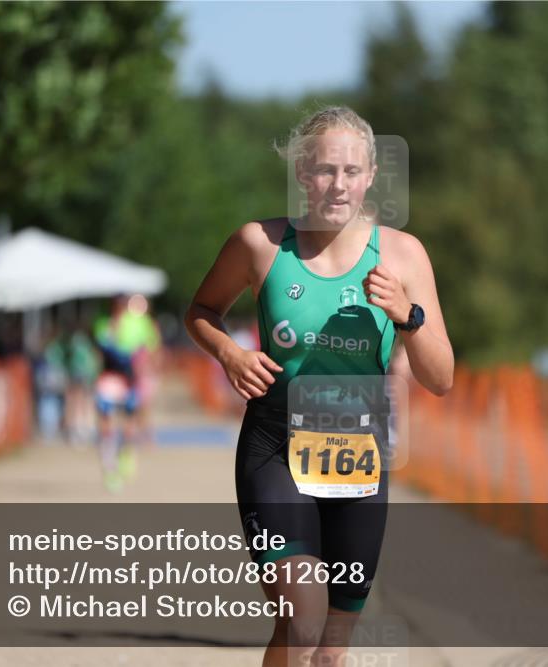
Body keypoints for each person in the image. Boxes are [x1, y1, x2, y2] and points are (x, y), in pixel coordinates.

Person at [185, 106, 454, 667]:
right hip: (275, 447)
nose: (339, 184)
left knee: (332, 649)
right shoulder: (260, 243)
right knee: (302, 618)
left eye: (352, 171)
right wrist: (230, 353)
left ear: (371, 175)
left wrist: (408, 315)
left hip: (357, 455)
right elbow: (202, 311)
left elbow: (441, 377)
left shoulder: (403, 254)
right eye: (325, 170)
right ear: (303, 174)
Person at [93, 294, 160, 492]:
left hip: (129, 381)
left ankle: (127, 453)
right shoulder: (103, 325)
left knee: (130, 422)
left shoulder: (139, 323)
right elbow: (103, 350)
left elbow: (149, 348)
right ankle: (109, 467)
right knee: (106, 424)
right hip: (109, 378)